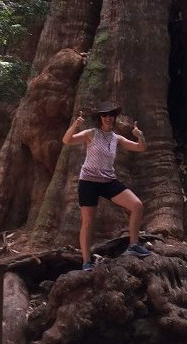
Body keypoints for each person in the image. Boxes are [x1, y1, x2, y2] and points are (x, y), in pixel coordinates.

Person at [62, 100, 152, 270]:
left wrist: (140, 135)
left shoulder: (116, 138)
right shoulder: (91, 133)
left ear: (114, 117)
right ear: (100, 117)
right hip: (88, 182)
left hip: (108, 181)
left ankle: (133, 246)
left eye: (111, 115)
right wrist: (75, 125)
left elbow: (140, 148)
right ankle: (86, 261)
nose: (108, 118)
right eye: (105, 115)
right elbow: (67, 140)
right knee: (88, 222)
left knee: (137, 205)